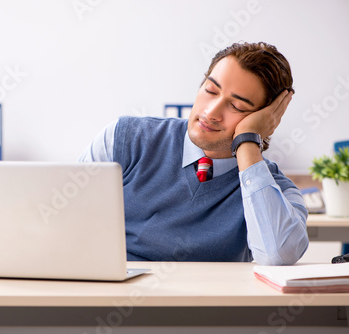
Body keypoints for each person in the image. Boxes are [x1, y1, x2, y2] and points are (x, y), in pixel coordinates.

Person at [79, 42, 309, 265]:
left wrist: (248, 141)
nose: (210, 113)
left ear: (266, 119)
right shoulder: (125, 139)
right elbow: (66, 222)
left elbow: (277, 256)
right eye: (210, 90)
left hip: (206, 304)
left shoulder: (275, 189)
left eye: (237, 107)